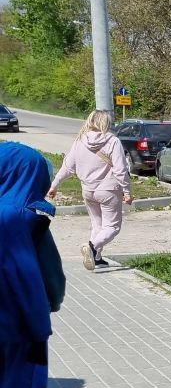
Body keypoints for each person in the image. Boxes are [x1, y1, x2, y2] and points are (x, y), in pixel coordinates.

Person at [0, 142, 66, 388]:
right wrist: (38, 323)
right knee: (26, 381)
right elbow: (24, 272)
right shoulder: (17, 216)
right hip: (17, 319)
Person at [47, 109, 133, 270]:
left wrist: (55, 184)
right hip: (108, 190)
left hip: (88, 191)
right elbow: (120, 170)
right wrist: (127, 191)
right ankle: (92, 247)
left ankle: (97, 257)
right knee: (112, 227)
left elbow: (68, 167)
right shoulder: (112, 141)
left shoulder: (80, 140)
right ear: (105, 123)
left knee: (97, 225)